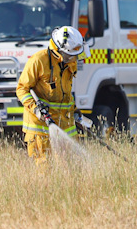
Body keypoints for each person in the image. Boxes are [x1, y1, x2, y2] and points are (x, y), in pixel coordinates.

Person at [16, 26, 87, 170]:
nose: (73, 59)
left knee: (73, 169)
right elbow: (22, 89)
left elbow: (65, 92)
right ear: (59, 50)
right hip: (41, 127)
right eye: (70, 55)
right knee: (45, 170)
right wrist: (36, 109)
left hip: (65, 124)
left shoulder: (69, 63)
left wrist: (74, 110)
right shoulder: (38, 61)